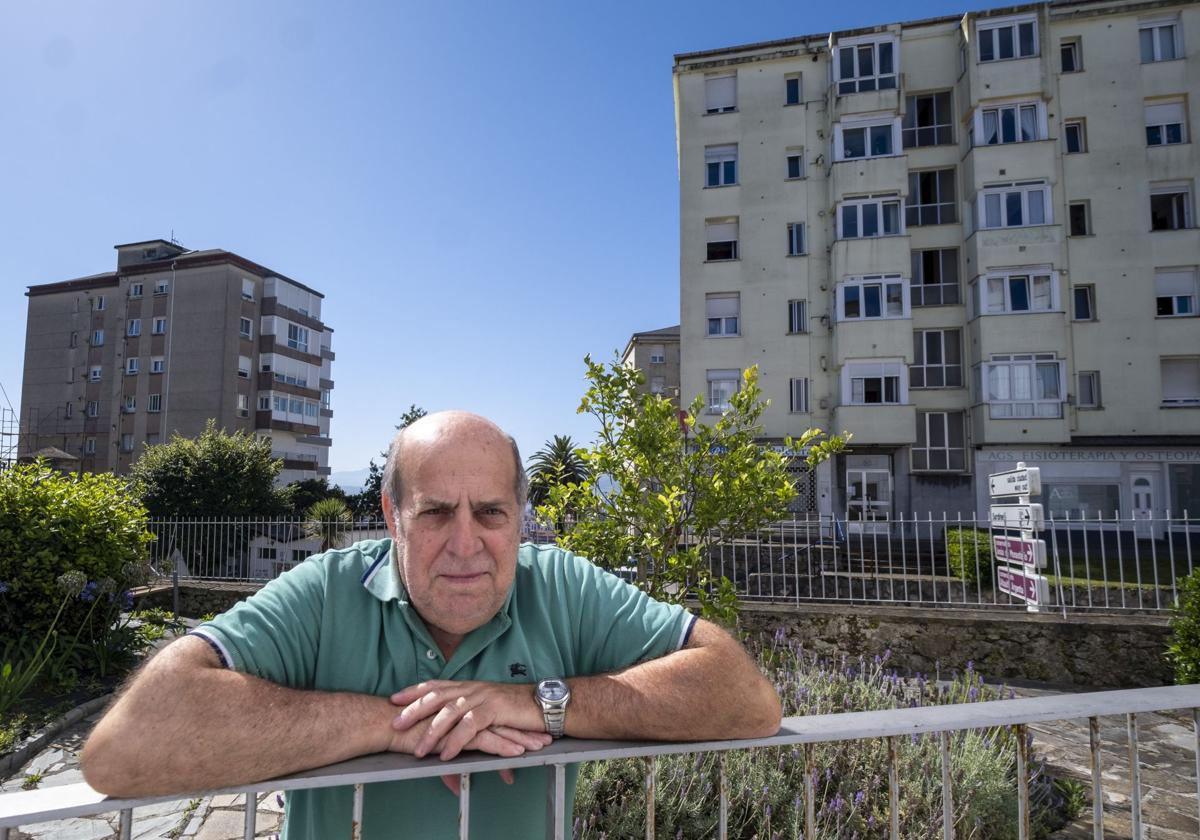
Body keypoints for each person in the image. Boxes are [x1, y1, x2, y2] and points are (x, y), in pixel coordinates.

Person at [81, 411, 781, 838]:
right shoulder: (325, 592)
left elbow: (744, 698)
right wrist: (401, 723)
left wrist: (535, 702)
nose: (467, 543)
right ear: (392, 520)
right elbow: (125, 749)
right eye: (437, 513)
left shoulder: (560, 585)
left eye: (491, 513)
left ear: (520, 518)